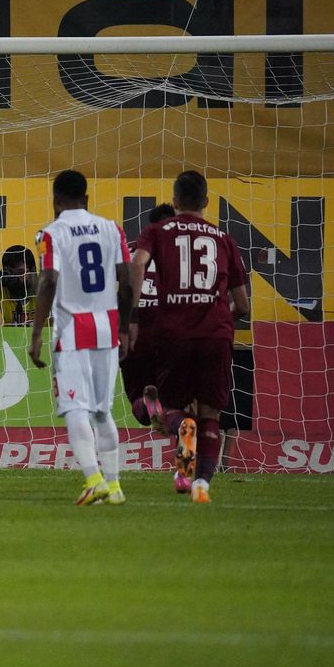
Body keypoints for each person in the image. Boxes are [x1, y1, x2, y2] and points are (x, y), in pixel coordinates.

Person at [131, 171, 249, 504]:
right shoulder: (224, 238)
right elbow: (243, 304)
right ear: (207, 202)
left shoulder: (157, 231)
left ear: (174, 200)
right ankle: (199, 484)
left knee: (175, 410)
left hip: (173, 335)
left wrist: (133, 312)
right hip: (215, 335)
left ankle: (183, 470)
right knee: (210, 414)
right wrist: (217, 317)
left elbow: (139, 263)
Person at [28, 170, 133, 506]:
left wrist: (35, 333)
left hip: (73, 330)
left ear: (56, 200)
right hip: (108, 327)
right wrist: (126, 326)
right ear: (86, 199)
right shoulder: (112, 228)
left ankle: (92, 479)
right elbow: (127, 282)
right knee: (103, 411)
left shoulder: (52, 232)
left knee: (74, 406)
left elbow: (48, 281)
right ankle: (114, 487)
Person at [118, 202, 194, 493]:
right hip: (173, 330)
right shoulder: (188, 252)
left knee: (140, 402)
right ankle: (184, 474)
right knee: (179, 410)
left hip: (137, 328)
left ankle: (148, 405)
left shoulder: (131, 249)